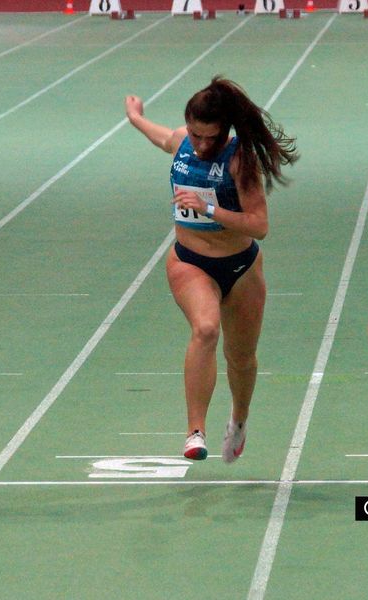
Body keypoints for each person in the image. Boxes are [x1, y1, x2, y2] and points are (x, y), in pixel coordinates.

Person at [125, 77, 298, 462]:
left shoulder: (240, 161)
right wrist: (136, 117)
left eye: (211, 138)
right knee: (205, 329)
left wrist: (210, 210)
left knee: (241, 357)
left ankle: (239, 418)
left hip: (241, 266)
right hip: (190, 262)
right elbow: (160, 136)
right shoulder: (182, 143)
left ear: (226, 131)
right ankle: (194, 431)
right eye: (196, 135)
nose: (202, 145)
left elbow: (260, 226)